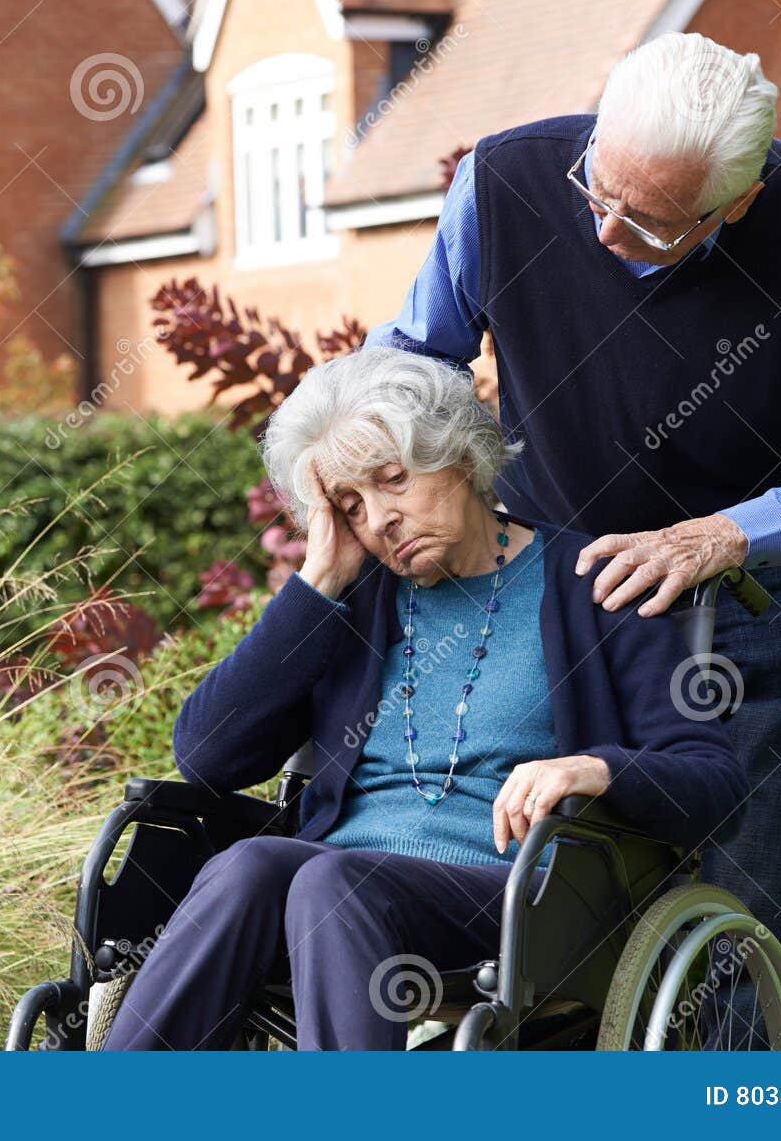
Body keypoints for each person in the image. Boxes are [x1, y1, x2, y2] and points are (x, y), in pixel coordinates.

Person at [361, 31, 781, 1043]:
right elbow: (414, 364)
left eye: (653, 224)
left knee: (761, 890)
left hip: (756, 594)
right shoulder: (502, 183)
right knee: (551, 874)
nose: (604, 233)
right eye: (598, 191)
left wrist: (725, 534)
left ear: (738, 202)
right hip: (557, 577)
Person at [102, 345, 746, 1050]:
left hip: (520, 897)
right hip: (333, 894)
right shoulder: (355, 601)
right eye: (351, 505)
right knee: (250, 865)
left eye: (393, 480)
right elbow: (207, 755)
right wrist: (317, 582)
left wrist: (593, 769)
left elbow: (713, 783)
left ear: (461, 456)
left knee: (332, 884)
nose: (378, 519)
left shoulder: (589, 585)